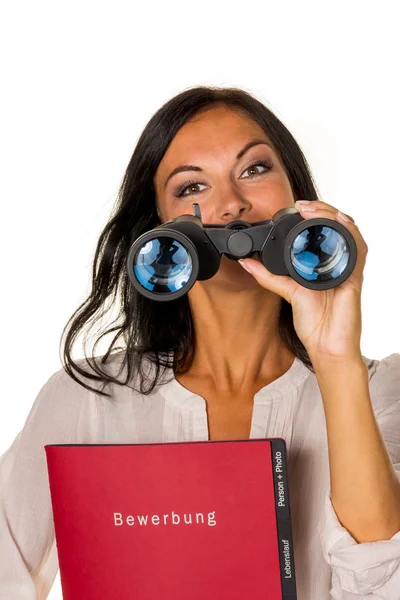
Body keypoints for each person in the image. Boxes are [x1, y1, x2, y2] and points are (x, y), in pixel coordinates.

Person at [1, 86, 400, 599]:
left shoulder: (381, 391)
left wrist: (336, 358)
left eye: (254, 170)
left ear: (298, 194)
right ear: (161, 229)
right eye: (192, 187)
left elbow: (384, 585)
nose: (231, 205)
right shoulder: (88, 400)